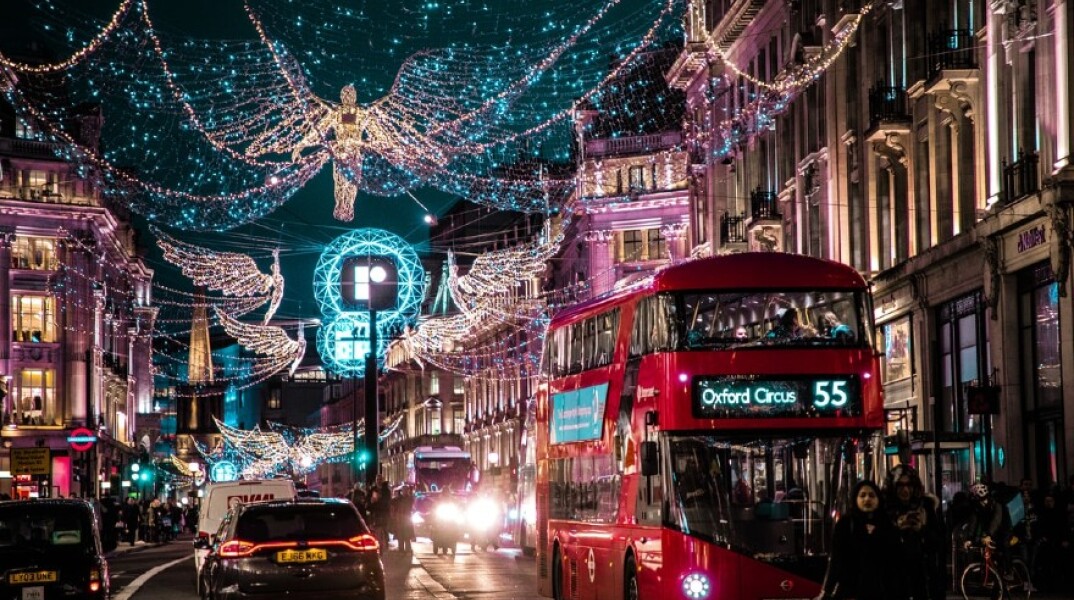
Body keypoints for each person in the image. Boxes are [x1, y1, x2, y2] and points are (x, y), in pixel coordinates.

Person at [820, 480, 908, 600]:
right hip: (852, 591)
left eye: (872, 495)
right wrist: (827, 591)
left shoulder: (887, 524)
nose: (867, 499)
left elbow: (897, 563)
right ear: (855, 499)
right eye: (862, 495)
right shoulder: (845, 524)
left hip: (883, 592)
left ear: (878, 499)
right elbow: (836, 560)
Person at [883, 465, 944, 600]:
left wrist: (922, 529)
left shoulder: (926, 507)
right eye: (900, 485)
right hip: (894, 580)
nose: (905, 490)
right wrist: (897, 528)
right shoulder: (885, 510)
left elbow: (938, 543)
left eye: (909, 485)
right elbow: (879, 546)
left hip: (923, 579)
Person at [963, 482, 1014, 580]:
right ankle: (990, 571)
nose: (981, 503)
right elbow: (974, 522)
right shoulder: (977, 507)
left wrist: (989, 534)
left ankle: (1009, 570)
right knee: (980, 543)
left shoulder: (997, 503)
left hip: (1004, 528)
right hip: (990, 529)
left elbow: (996, 520)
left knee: (1003, 544)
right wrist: (969, 539)